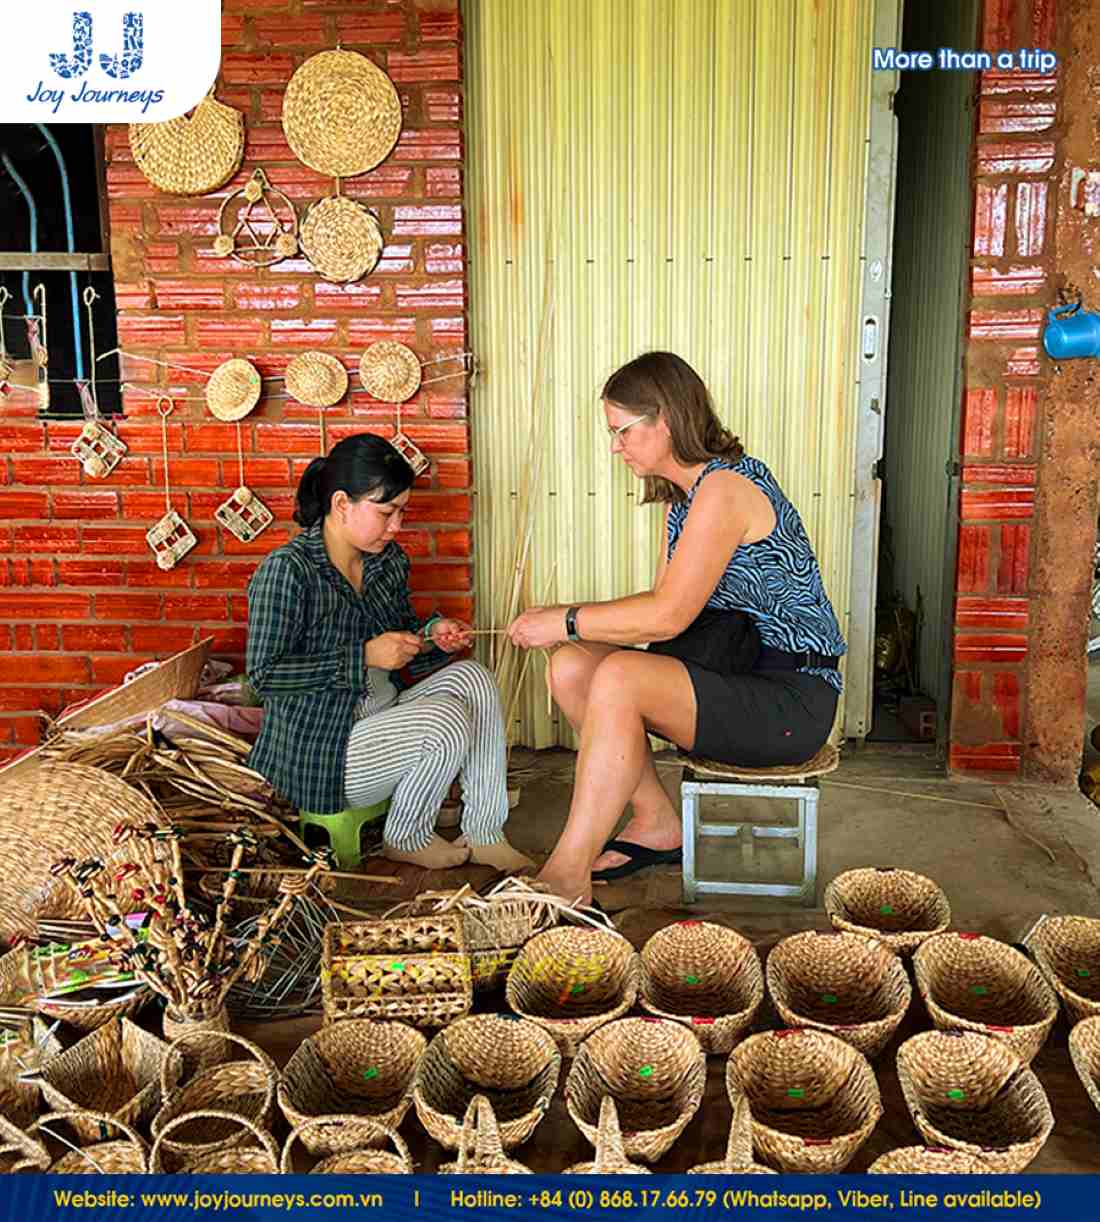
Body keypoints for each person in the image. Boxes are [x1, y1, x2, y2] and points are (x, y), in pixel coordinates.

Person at [507, 352, 846, 904]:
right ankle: (657, 821)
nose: (615, 447)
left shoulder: (727, 488)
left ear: (663, 420)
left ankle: (567, 871)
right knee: (572, 665)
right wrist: (566, 625)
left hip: (791, 697)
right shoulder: (686, 503)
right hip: (733, 673)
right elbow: (660, 609)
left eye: (622, 431)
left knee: (617, 675)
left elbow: (667, 615)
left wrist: (565, 619)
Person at [247, 432, 534, 873]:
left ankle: (484, 831)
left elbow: (398, 647)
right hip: (325, 748)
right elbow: (265, 676)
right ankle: (406, 835)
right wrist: (362, 655)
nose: (396, 526)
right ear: (341, 504)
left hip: (381, 719)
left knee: (473, 677)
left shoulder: (386, 561)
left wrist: (434, 635)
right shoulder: (288, 572)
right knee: (445, 719)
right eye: (387, 512)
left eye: (401, 512)